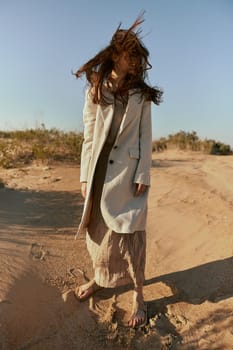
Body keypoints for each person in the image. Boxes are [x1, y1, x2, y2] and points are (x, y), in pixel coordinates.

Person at [74, 14, 163, 328]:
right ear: (116, 54)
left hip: (129, 173)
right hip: (98, 171)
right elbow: (88, 134)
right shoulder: (96, 89)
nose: (137, 61)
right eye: (132, 55)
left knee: (131, 235)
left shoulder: (141, 95)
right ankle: (100, 279)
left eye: (139, 56)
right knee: (98, 232)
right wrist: (85, 176)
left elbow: (144, 136)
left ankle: (139, 295)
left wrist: (143, 174)